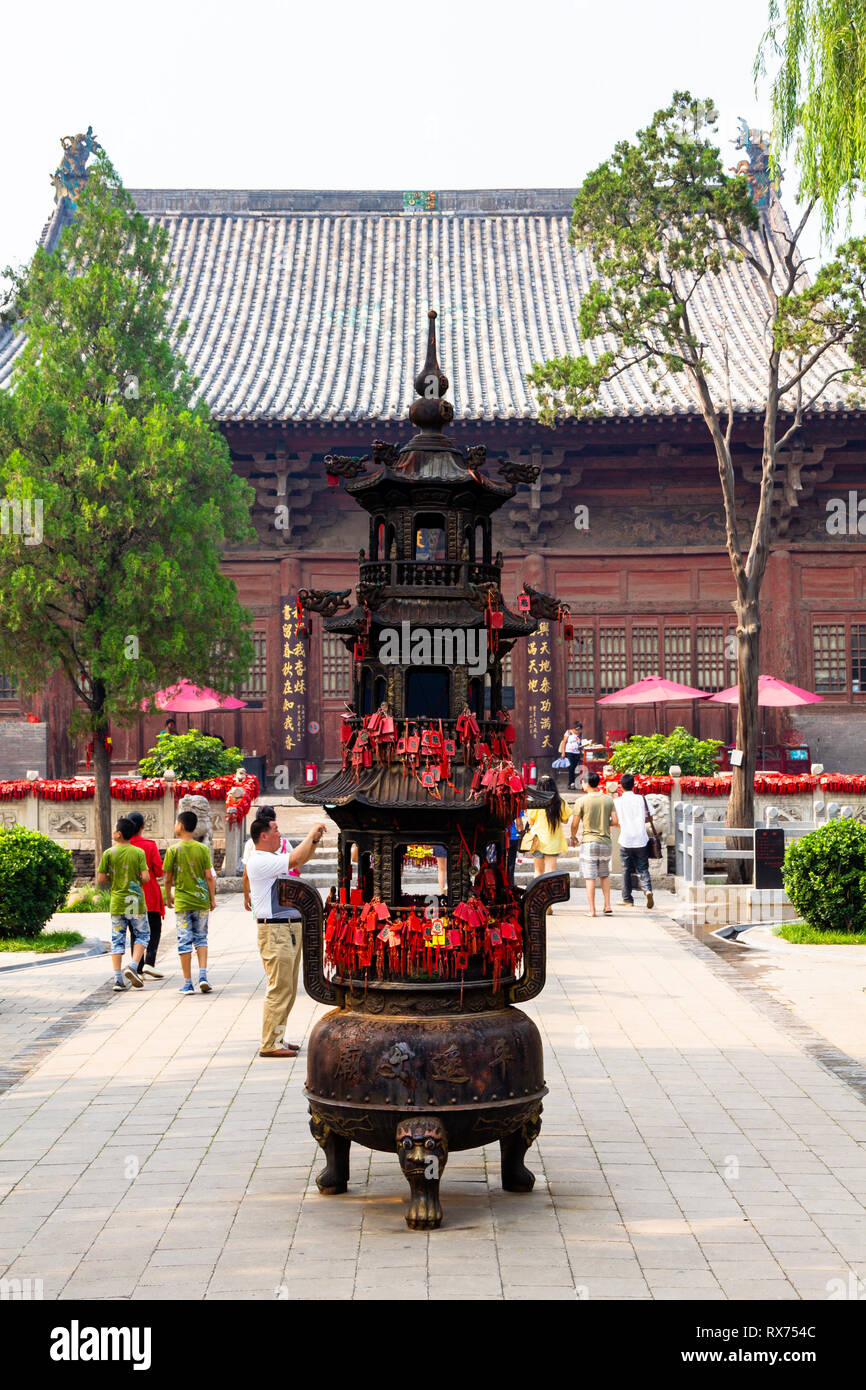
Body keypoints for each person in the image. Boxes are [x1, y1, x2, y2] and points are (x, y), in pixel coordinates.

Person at [244, 818, 326, 1057]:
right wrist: (311, 832)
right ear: (264, 836)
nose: (280, 834)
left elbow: (303, 857)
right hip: (275, 931)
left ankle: (278, 1037)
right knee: (279, 988)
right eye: (276, 830)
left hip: (285, 929)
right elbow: (296, 859)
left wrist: (315, 839)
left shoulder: (268, 859)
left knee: (287, 989)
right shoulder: (260, 861)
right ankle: (270, 1043)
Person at [163, 810, 217, 995]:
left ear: (181, 826)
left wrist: (168, 896)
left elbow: (168, 878)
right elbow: (209, 876)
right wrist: (212, 898)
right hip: (201, 901)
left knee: (184, 941)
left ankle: (187, 982)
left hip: (183, 902)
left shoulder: (173, 850)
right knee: (201, 938)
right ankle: (203, 976)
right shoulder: (202, 849)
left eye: (176, 822)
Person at [97, 817, 151, 992]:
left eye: (114, 829)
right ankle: (133, 967)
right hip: (134, 902)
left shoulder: (108, 854)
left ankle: (118, 979)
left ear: (118, 834)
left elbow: (101, 878)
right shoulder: (138, 853)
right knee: (142, 935)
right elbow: (146, 877)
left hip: (118, 902)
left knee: (117, 940)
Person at [571, 772, 619, 917]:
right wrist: (605, 822)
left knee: (590, 876)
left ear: (586, 783)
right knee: (604, 874)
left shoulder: (581, 801)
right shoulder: (608, 799)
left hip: (589, 842)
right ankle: (607, 905)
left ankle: (592, 910)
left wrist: (573, 836)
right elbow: (615, 822)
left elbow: (574, 824)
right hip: (605, 842)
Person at [126, 811, 166, 978]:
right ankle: (149, 962)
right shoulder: (150, 845)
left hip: (130, 895)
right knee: (154, 928)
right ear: (143, 826)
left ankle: (138, 967)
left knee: (135, 931)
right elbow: (158, 871)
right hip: (149, 894)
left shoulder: (122, 848)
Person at [617, 773, 655, 910]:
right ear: (634, 785)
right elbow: (650, 816)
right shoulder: (641, 799)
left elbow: (615, 821)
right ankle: (648, 890)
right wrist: (639, 822)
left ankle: (627, 899)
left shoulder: (618, 801)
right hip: (641, 839)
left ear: (620, 786)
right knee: (643, 868)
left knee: (626, 869)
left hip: (625, 839)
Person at [521, 776, 572, 876]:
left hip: (537, 840)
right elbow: (565, 820)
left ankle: (538, 892)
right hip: (553, 840)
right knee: (550, 870)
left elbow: (531, 822)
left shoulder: (535, 802)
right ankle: (549, 892)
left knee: (538, 871)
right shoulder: (560, 802)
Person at [559, 723, 584, 791]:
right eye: (577, 730)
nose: (578, 731)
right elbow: (564, 742)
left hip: (577, 752)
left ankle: (571, 783)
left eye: (579, 730)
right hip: (569, 752)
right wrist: (563, 752)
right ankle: (571, 783)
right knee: (571, 767)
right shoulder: (568, 732)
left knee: (574, 767)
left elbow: (580, 743)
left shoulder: (580, 734)